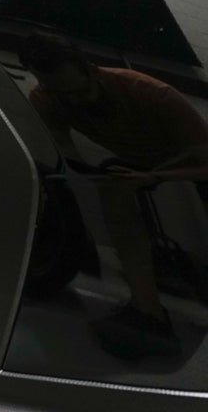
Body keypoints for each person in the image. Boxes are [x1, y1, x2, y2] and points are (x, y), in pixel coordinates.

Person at [20, 33, 208, 358]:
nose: (77, 102)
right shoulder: (48, 99)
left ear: (93, 71)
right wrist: (83, 174)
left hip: (189, 159)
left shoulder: (150, 93)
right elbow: (64, 147)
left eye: (81, 92)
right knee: (114, 192)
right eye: (65, 96)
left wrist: (156, 177)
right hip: (141, 161)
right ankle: (149, 312)